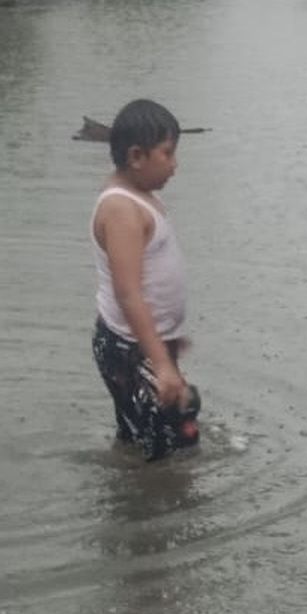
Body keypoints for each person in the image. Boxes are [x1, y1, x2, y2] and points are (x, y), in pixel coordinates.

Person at [91, 99, 200, 462]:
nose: (175, 165)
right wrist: (162, 364)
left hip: (144, 344)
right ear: (137, 156)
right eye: (167, 154)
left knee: (153, 436)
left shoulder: (142, 198)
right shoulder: (121, 209)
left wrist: (167, 340)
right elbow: (129, 294)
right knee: (163, 448)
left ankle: (131, 487)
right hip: (126, 348)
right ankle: (149, 510)